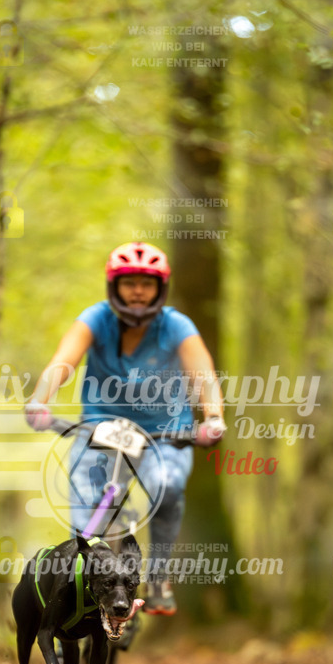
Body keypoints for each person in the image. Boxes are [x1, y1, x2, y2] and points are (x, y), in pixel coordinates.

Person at [25, 241, 226, 615]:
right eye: (129, 282)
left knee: (167, 486)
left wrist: (212, 418)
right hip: (101, 431)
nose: (137, 291)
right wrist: (41, 398)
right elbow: (63, 361)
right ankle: (77, 614)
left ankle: (159, 579)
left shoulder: (177, 325)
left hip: (165, 434)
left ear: (159, 289)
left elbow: (204, 376)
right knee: (86, 521)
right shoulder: (95, 318)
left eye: (146, 284)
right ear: (113, 287)